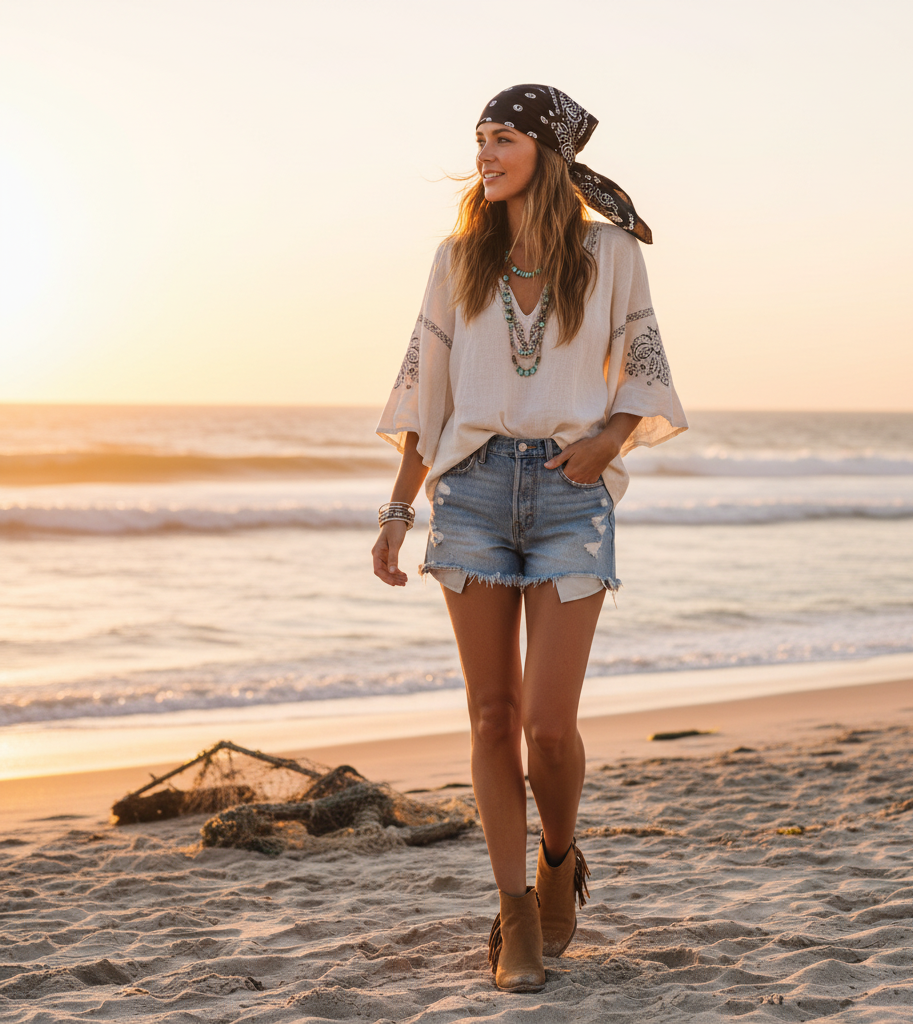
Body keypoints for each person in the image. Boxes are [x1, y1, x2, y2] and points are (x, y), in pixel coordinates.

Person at [372, 84, 686, 992]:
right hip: (468, 496)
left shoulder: (609, 252)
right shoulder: (457, 258)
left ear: (547, 151)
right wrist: (398, 510)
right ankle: (513, 914)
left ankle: (559, 859)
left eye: (503, 136)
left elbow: (646, 364)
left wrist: (605, 443)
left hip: (566, 495)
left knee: (549, 729)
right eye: (478, 138)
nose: (485, 152)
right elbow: (426, 393)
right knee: (490, 717)